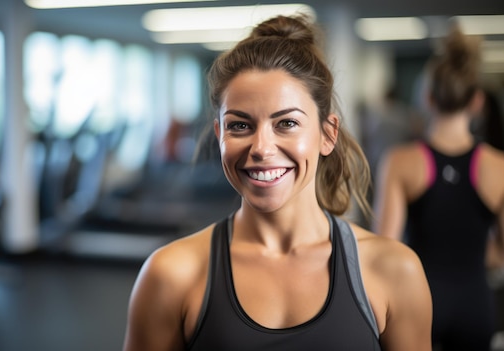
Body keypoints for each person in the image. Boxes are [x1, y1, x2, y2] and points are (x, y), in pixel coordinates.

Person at [123, 13, 432, 351]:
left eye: (286, 123)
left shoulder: (394, 271)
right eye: (240, 126)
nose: (261, 148)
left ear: (328, 134)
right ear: (219, 135)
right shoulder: (170, 275)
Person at [373, 24, 504, 350]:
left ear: (428, 97)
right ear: (477, 102)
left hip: (419, 302)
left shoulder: (400, 162)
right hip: (476, 305)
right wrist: (469, 250)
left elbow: (384, 250)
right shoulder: (501, 167)